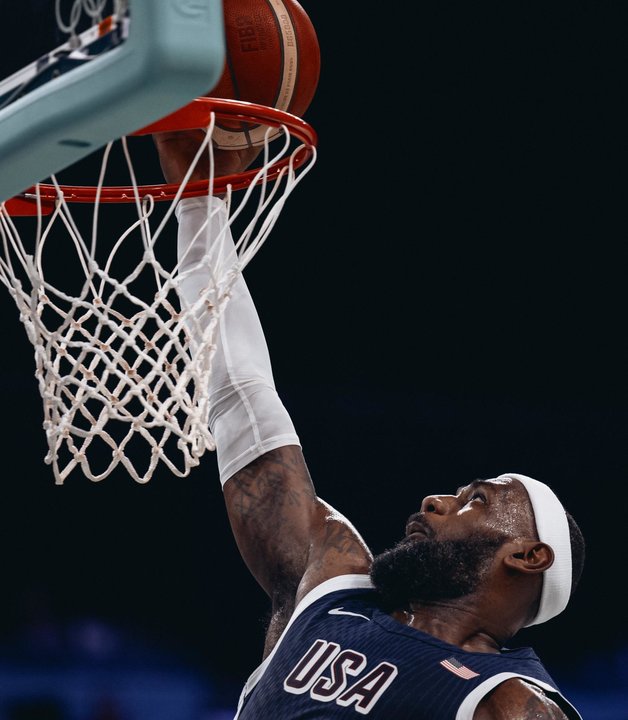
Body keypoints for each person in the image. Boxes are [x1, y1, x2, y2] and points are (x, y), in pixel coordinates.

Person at [152, 130, 586, 719]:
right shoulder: (330, 585)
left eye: (476, 501)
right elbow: (241, 399)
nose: (436, 500)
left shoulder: (509, 704)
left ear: (530, 556)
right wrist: (199, 199)